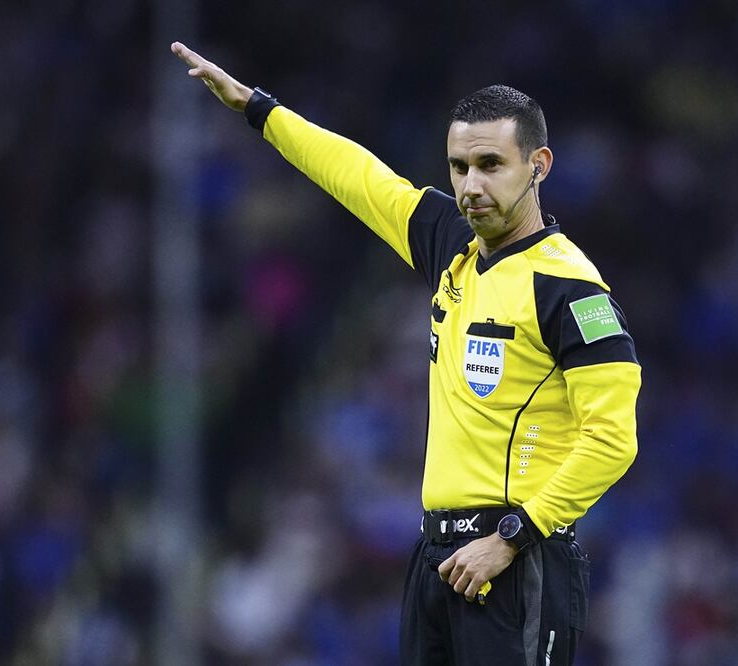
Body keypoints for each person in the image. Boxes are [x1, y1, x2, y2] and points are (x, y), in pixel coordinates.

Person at [172, 41, 641, 665]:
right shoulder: (453, 243)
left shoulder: (568, 286)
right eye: (458, 166)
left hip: (515, 558)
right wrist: (259, 109)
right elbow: (358, 176)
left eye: (491, 165)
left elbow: (614, 439)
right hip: (437, 558)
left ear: (539, 165)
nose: (470, 186)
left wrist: (512, 537)